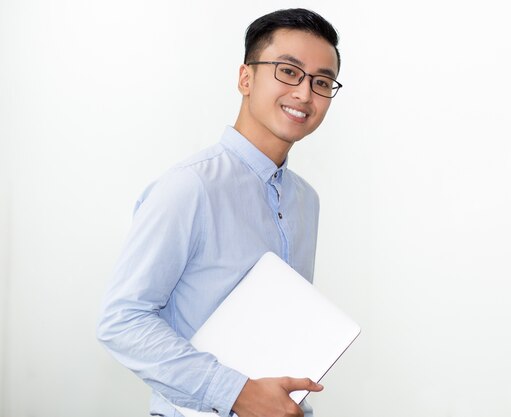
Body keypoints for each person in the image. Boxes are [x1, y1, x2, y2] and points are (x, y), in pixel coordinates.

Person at [96, 8, 343, 417]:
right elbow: (122, 320)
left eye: (321, 82)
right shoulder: (189, 186)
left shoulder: (305, 200)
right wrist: (236, 392)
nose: (304, 93)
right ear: (245, 78)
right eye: (288, 72)